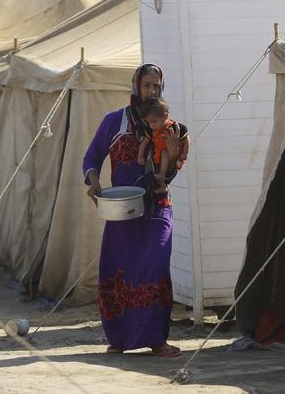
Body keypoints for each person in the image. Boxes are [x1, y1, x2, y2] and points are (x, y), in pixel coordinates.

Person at [83, 63, 183, 357]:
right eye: (146, 85)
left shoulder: (168, 126)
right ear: (135, 87)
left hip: (157, 208)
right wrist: (93, 182)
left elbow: (172, 171)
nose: (151, 91)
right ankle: (120, 339)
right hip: (122, 210)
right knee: (117, 270)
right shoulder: (115, 121)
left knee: (155, 267)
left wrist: (174, 159)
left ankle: (157, 340)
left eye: (156, 86)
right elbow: (92, 157)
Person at [137, 97, 190, 194]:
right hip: (158, 157)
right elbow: (144, 143)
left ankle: (163, 175)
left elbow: (186, 138)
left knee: (165, 154)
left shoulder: (175, 127)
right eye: (149, 123)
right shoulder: (152, 131)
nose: (152, 125)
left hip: (174, 156)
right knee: (158, 167)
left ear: (165, 116)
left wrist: (185, 152)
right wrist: (140, 156)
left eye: (154, 122)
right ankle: (162, 185)